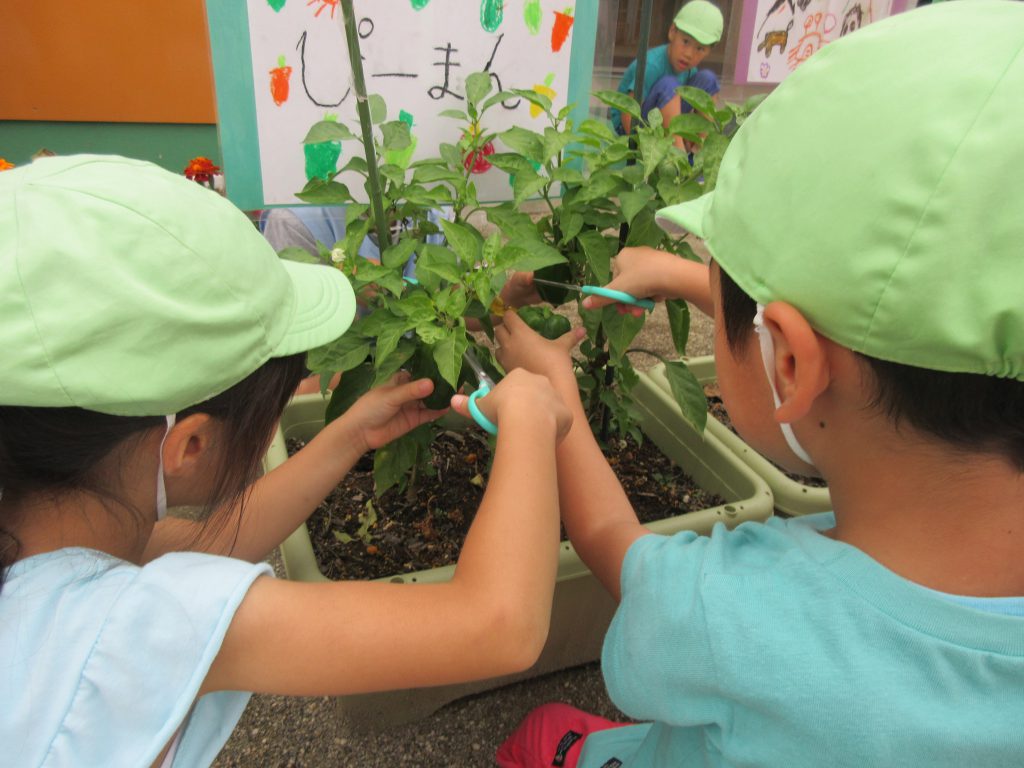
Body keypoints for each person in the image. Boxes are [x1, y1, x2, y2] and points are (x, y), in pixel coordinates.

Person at [494, 3, 1024, 766]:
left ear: (793, 367)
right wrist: (682, 277)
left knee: (540, 737)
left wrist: (554, 389)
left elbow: (615, 545)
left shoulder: (733, 614)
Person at [0, 154, 573, 767]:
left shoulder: (47, 540)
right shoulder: (144, 625)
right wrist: (530, 420)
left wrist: (348, 436)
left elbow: (205, 542)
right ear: (189, 444)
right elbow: (498, 626)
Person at [610, 0, 724, 149]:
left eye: (700, 49)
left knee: (707, 79)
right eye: (685, 42)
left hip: (662, 120)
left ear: (708, 52)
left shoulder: (690, 69)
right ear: (672, 32)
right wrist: (637, 146)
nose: (689, 54)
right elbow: (628, 111)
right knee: (669, 85)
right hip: (634, 124)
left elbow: (681, 110)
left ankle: (701, 148)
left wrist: (689, 133)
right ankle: (677, 155)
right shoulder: (652, 65)